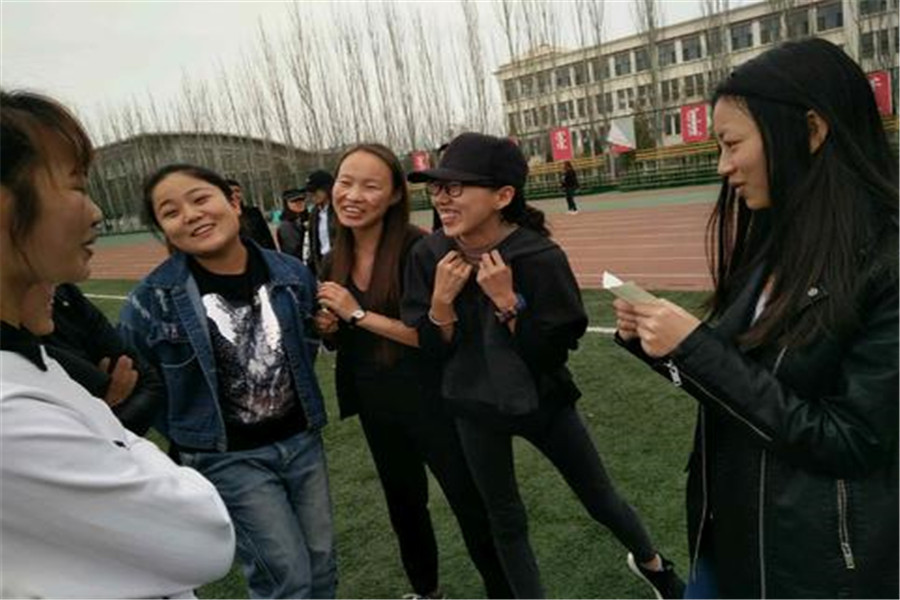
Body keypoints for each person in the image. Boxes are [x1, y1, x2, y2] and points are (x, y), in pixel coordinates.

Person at [612, 38, 898, 599]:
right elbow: (745, 383)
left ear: (811, 131)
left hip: (810, 568)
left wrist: (695, 348)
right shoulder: (776, 241)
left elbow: (850, 440)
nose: (724, 167)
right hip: (728, 538)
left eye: (732, 144)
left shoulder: (886, 264)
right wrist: (658, 343)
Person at [402, 132, 684, 599]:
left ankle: (655, 567)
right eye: (436, 188)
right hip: (472, 408)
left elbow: (550, 353)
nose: (441, 199)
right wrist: (440, 303)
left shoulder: (538, 256)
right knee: (505, 519)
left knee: (600, 498)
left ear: (502, 196)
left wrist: (508, 302)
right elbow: (431, 351)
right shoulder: (428, 256)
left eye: (455, 187)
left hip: (544, 400)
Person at [0, 90, 235, 598]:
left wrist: (114, 439)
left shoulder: (32, 358)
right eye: (76, 185)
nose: (95, 212)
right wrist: (128, 444)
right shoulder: (9, 414)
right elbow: (204, 537)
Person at [119, 163, 336, 599]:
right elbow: (141, 381)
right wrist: (192, 434)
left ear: (233, 202)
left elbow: (308, 336)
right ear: (162, 229)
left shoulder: (290, 273)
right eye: (170, 212)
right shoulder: (152, 301)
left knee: (321, 564)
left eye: (200, 198)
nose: (191, 215)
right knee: (285, 576)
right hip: (227, 458)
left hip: (301, 442)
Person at [315, 143, 511, 599]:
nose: (352, 195)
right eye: (345, 182)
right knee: (404, 505)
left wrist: (356, 313)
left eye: (369, 186)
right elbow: (343, 336)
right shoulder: (333, 258)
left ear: (393, 196)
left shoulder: (422, 248)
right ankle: (426, 591)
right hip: (375, 402)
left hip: (433, 398)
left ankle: (506, 591)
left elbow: (433, 336)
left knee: (470, 505)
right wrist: (330, 327)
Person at [26, 283, 164, 435]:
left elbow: (147, 382)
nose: (50, 288)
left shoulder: (65, 296)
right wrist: (99, 414)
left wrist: (96, 417)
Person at [227, 177, 277, 250]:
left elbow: (267, 236)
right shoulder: (222, 217)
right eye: (230, 192)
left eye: (237, 191)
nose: (234, 195)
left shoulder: (254, 212)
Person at [306, 169, 337, 277]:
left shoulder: (339, 210)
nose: (312, 195)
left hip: (340, 263)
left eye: (315, 191)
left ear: (327, 188)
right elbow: (313, 244)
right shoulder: (314, 213)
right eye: (310, 192)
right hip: (322, 266)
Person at [277, 187, 310, 262]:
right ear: (286, 204)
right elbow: (292, 250)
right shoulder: (286, 226)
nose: (299, 203)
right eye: (294, 201)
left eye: (301, 200)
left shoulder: (310, 219)